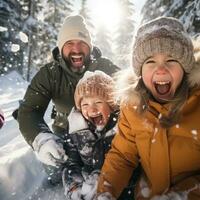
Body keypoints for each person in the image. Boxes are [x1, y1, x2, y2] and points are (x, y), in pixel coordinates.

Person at [96, 17, 200, 200]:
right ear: (140, 71)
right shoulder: (132, 107)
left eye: (171, 59)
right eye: (150, 61)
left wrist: (183, 195)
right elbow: (122, 156)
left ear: (185, 67)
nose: (160, 70)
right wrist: (105, 192)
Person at [17, 14, 119, 185]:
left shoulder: (105, 67)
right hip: (65, 134)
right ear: (61, 47)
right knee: (55, 169)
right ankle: (72, 181)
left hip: (103, 133)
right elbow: (29, 110)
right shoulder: (50, 73)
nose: (77, 49)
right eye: (70, 43)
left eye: (82, 43)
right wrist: (41, 139)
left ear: (90, 46)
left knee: (112, 168)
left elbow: (129, 95)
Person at [62, 70, 118, 200]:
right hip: (87, 187)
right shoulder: (76, 130)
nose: (92, 110)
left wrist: (105, 184)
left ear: (111, 104)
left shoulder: (123, 128)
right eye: (85, 104)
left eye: (98, 102)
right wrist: (75, 187)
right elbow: (71, 163)